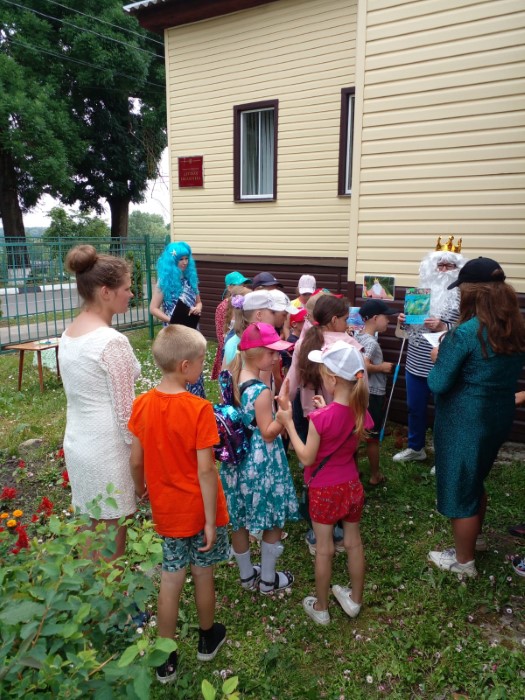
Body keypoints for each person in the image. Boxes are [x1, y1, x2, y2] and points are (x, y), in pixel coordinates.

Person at [128, 325, 229, 684]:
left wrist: (141, 489)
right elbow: (205, 470)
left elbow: (136, 459)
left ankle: (165, 659)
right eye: (202, 361)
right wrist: (210, 521)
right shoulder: (199, 409)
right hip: (199, 511)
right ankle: (207, 638)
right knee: (203, 573)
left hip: (167, 511)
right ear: (185, 365)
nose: (203, 366)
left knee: (171, 580)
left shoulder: (141, 404)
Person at [426, 258, 525, 577]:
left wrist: (438, 357)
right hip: (497, 414)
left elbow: (438, 383)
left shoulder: (465, 334)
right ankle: (475, 541)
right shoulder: (514, 327)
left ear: (472, 293)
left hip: (464, 420)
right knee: (475, 477)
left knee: (459, 486)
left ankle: (463, 562)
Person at [277, 342, 371, 624]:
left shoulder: (320, 419)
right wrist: (327, 409)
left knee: (325, 548)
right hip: (352, 486)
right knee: (353, 543)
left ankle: (321, 607)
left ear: (330, 380)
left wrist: (289, 423)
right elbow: (341, 424)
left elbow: (306, 458)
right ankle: (354, 600)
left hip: (324, 491)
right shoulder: (360, 411)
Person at [59, 244, 140, 560]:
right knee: (112, 542)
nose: (131, 294)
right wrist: (140, 468)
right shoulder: (112, 342)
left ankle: (93, 602)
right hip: (108, 450)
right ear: (106, 292)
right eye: (127, 289)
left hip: (79, 442)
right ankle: (110, 609)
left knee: (91, 531)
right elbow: (126, 416)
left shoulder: (71, 331)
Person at [282, 294, 364, 555]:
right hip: (345, 419)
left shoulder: (306, 342)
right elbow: (363, 387)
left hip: (312, 418)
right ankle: (340, 521)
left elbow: (290, 383)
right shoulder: (351, 345)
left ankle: (317, 530)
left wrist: (283, 408)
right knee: (341, 465)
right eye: (345, 318)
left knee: (314, 474)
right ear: (335, 319)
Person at [222, 323, 300, 594]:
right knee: (272, 515)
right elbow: (267, 433)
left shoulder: (231, 376)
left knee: (239, 517)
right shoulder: (262, 391)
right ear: (257, 355)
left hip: (236, 459)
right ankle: (268, 580)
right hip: (261, 461)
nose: (277, 358)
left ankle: (246, 576)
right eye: (273, 353)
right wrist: (284, 414)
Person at [393, 239, 467, 464]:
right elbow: (405, 332)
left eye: (449, 266)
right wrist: (403, 320)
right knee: (414, 408)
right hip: (416, 362)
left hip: (445, 364)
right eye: (439, 266)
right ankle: (416, 448)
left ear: (457, 270)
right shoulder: (418, 294)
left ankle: (446, 456)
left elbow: (470, 330)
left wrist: (444, 327)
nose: (443, 271)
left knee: (446, 413)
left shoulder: (465, 298)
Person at [149, 241, 205, 397]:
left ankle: (196, 403)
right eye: (181, 259)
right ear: (172, 261)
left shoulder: (191, 280)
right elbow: (153, 308)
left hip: (193, 331)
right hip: (174, 332)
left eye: (187, 258)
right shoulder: (164, 282)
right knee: (178, 368)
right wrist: (171, 319)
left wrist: (198, 307)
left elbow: (199, 302)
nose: (185, 262)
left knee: (195, 367)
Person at [355, 299, 397, 485]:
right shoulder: (371, 342)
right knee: (372, 437)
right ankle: (375, 475)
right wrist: (382, 368)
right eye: (386, 317)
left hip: (359, 392)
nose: (388, 321)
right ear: (374, 318)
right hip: (373, 394)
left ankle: (354, 472)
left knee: (356, 433)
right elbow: (364, 365)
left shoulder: (357, 336)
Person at [211, 272, 252, 380]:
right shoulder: (222, 308)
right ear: (229, 287)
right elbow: (221, 335)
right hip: (230, 351)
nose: (243, 287)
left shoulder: (247, 302)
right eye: (240, 284)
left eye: (245, 285)